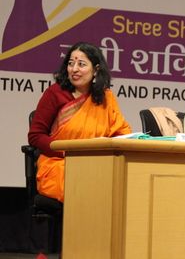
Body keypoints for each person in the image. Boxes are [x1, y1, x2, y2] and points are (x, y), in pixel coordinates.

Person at [28, 42, 131, 202]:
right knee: (84, 183)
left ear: (96, 70)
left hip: (97, 164)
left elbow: (121, 135)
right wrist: (68, 152)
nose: (74, 69)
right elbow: (35, 136)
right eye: (70, 63)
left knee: (120, 181)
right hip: (60, 164)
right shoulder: (55, 93)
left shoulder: (106, 98)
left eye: (81, 64)